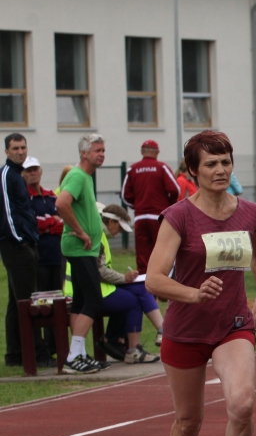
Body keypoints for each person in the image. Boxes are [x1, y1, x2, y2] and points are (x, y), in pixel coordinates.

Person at [146, 130, 256, 436]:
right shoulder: (179, 217)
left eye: (225, 162)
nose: (220, 170)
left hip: (232, 325)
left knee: (243, 403)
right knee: (189, 421)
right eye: (211, 164)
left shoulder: (251, 214)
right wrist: (193, 293)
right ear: (193, 171)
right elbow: (153, 278)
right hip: (186, 330)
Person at [66, 204, 162, 363]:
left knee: (140, 288)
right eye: (120, 228)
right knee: (132, 301)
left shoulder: (96, 232)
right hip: (88, 290)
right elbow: (99, 271)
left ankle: (128, 338)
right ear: (111, 221)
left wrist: (124, 278)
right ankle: (132, 346)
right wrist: (123, 278)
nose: (120, 233)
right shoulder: (97, 234)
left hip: (93, 286)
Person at [55, 134, 109, 374]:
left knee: (80, 300)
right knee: (94, 299)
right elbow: (61, 203)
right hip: (80, 248)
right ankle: (73, 356)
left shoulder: (86, 176)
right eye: (97, 150)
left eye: (103, 150)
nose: (102, 154)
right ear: (84, 153)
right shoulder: (77, 175)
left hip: (85, 248)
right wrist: (80, 232)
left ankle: (79, 354)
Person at [1, 134, 49, 367]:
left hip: (26, 243)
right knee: (29, 301)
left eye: (23, 147)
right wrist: (20, 240)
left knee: (16, 301)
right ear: (6, 151)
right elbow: (7, 213)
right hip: (16, 245)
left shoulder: (18, 176)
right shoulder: (6, 176)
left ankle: (15, 354)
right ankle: (36, 353)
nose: (20, 152)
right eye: (15, 148)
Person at [23, 157, 63, 356]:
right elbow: (32, 224)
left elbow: (63, 222)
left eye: (35, 169)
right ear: (23, 174)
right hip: (39, 258)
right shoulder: (25, 198)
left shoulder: (51, 196)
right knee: (42, 302)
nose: (32, 173)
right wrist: (51, 222)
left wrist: (49, 225)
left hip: (56, 255)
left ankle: (56, 345)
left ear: (40, 171)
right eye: (28, 170)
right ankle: (43, 347)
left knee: (58, 302)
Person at [121, 140, 180, 273]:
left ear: (142, 152)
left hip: (140, 217)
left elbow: (125, 195)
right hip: (159, 216)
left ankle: (145, 282)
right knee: (164, 250)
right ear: (157, 152)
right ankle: (165, 280)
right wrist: (169, 206)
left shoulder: (133, 169)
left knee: (143, 254)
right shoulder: (162, 167)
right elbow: (175, 189)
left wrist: (138, 206)